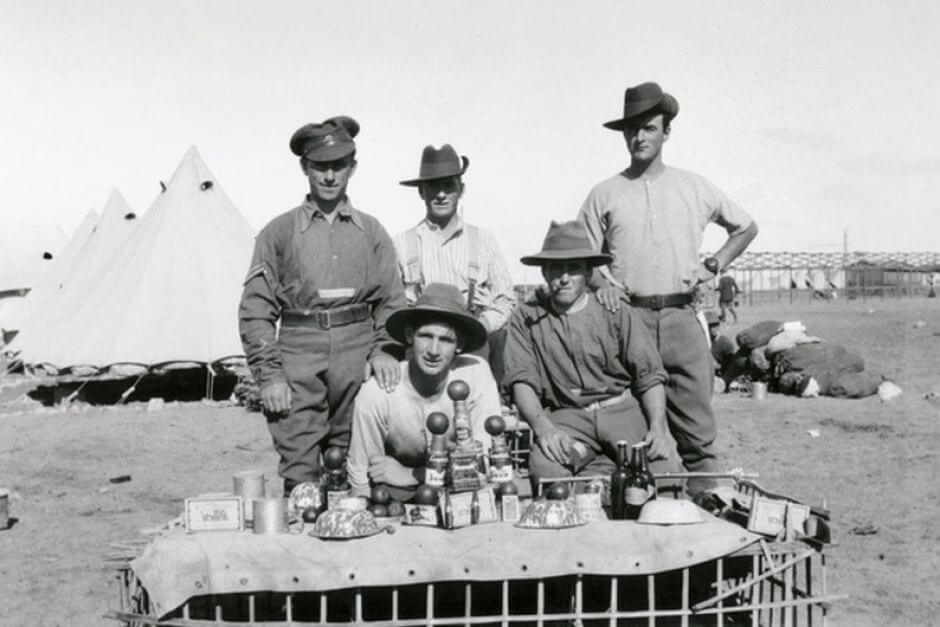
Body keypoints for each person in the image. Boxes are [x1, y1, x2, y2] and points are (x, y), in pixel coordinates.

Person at [579, 81, 758, 494]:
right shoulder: (603, 193)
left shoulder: (693, 186)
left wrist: (713, 265)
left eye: (649, 128)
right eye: (632, 130)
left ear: (666, 132)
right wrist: (602, 283)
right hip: (628, 322)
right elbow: (583, 260)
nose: (639, 137)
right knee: (631, 430)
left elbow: (745, 227)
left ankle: (710, 511)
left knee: (697, 432)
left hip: (682, 319)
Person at [239, 116, 406, 495]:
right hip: (299, 347)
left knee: (355, 454)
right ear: (305, 168)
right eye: (320, 167)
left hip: (357, 346)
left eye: (338, 166)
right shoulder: (277, 232)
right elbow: (256, 309)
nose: (330, 177)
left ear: (353, 168)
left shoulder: (372, 231)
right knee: (299, 458)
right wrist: (270, 376)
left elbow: (392, 301)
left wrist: (383, 351)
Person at [502, 220, 680, 490]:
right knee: (547, 474)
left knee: (666, 475)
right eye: (555, 269)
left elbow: (649, 375)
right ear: (544, 272)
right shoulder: (526, 318)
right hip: (568, 416)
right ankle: (599, 466)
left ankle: (608, 465)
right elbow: (521, 380)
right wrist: (544, 430)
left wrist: (658, 427)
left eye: (573, 269)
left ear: (587, 272)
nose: (563, 278)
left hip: (621, 410)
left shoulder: (614, 309)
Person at [347, 283, 501, 500]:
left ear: (460, 344)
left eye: (446, 340)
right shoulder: (379, 390)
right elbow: (364, 473)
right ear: (410, 335)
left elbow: (483, 463)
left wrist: (413, 474)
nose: (434, 351)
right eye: (426, 336)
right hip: (396, 493)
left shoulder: (475, 373)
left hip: (456, 487)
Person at [394, 144, 515, 384]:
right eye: (433, 187)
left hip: (473, 350)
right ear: (421, 192)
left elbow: (505, 298)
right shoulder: (401, 244)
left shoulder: (483, 241)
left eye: (448, 186)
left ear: (461, 190)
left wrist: (479, 327)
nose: (440, 194)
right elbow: (392, 304)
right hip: (422, 352)